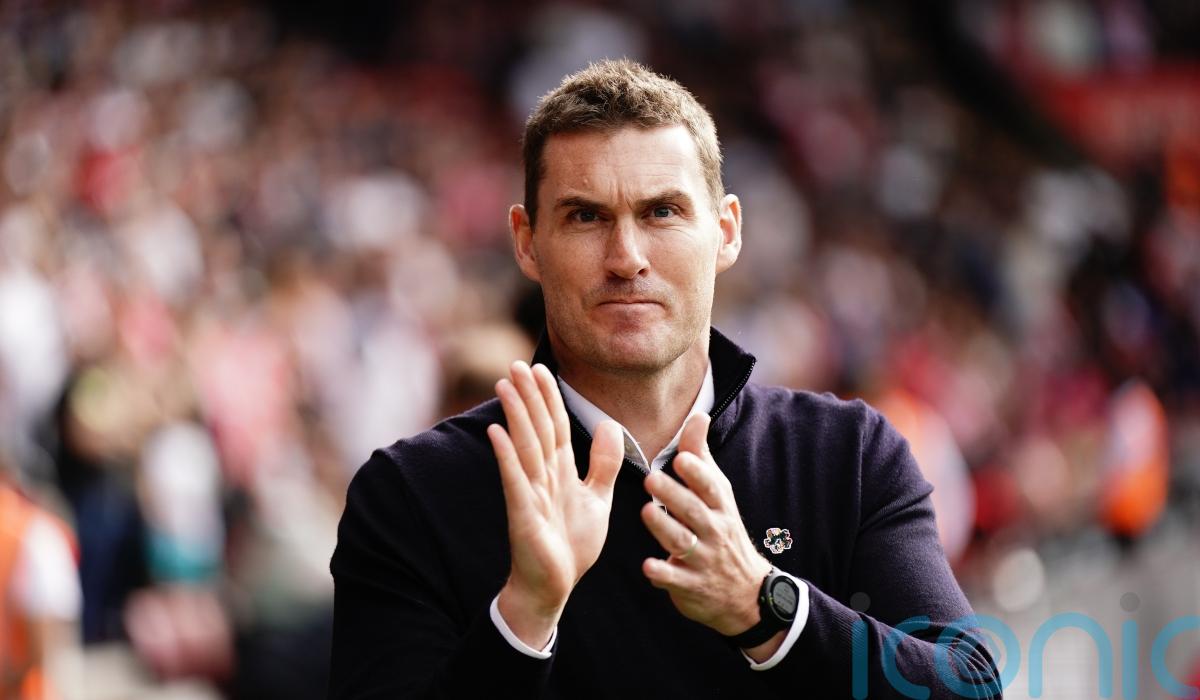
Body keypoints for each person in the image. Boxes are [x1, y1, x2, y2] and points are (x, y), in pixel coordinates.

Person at [329, 59, 1001, 698]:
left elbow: (968, 682)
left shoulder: (848, 455)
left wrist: (765, 605)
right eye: (586, 216)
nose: (627, 258)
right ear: (527, 242)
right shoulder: (410, 494)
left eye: (662, 212)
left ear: (726, 231)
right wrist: (524, 616)